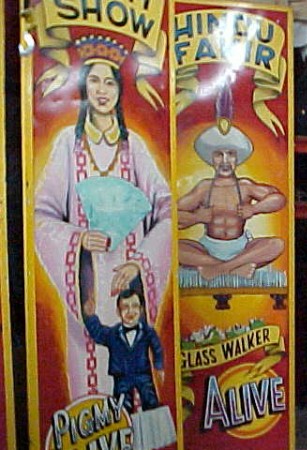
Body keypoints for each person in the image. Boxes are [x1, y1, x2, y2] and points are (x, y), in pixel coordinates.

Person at [35, 36, 171, 399]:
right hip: (88, 285)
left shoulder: (134, 146)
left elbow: (167, 210)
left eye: (109, 82)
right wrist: (77, 238)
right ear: (83, 88)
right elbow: (42, 216)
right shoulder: (68, 143)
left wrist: (141, 262)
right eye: (93, 81)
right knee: (91, 377)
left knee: (134, 381)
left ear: (120, 90)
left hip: (130, 285)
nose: (101, 90)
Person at [178, 122, 285, 280]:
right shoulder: (204, 187)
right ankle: (234, 268)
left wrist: (254, 209)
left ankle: (218, 269)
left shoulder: (245, 186)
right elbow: (172, 214)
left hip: (242, 249)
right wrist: (196, 217)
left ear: (237, 158)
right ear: (211, 158)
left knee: (277, 244)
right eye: (219, 154)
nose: (225, 160)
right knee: (176, 247)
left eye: (230, 154)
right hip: (207, 249)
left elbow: (279, 199)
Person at [83, 287, 163, 413]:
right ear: (118, 311)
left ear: (141, 309)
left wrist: (159, 366)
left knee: (150, 401)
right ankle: (125, 424)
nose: (130, 311)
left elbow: (157, 348)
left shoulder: (148, 331)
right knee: (122, 406)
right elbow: (98, 333)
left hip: (142, 373)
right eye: (125, 307)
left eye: (135, 306)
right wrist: (91, 317)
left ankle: (154, 424)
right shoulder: (113, 334)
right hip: (121, 376)